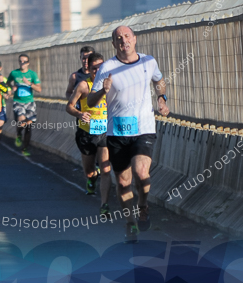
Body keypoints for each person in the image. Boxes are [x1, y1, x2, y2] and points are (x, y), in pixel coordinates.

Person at [87, 26, 168, 242]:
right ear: (114, 44)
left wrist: (162, 98)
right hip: (117, 132)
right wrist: (103, 91)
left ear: (135, 39)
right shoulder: (107, 67)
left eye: (127, 36)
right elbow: (90, 101)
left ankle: (142, 205)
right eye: (118, 38)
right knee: (123, 183)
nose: (124, 41)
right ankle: (130, 222)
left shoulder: (148, 61)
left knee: (142, 173)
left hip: (143, 128)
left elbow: (159, 81)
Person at [66, 52, 112, 215]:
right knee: (89, 171)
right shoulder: (84, 86)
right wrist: (79, 114)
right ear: (89, 69)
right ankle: (92, 179)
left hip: (105, 133)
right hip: (86, 132)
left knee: (106, 170)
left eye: (101, 68)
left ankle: (104, 205)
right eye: (94, 68)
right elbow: (69, 106)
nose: (98, 71)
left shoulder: (110, 85)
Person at [7, 54, 41, 157]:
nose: (22, 63)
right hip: (18, 102)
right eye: (20, 61)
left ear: (28, 63)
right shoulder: (14, 73)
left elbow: (39, 89)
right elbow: (8, 82)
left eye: (24, 61)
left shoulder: (32, 74)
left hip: (29, 102)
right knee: (21, 121)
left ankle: (25, 148)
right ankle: (18, 134)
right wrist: (12, 87)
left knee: (29, 126)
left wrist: (29, 83)